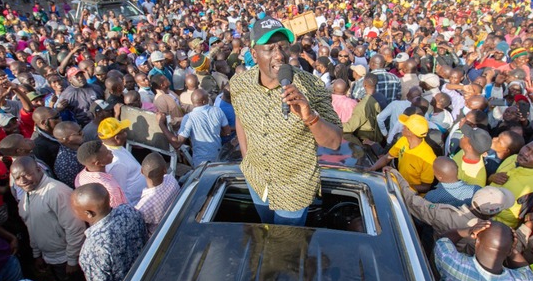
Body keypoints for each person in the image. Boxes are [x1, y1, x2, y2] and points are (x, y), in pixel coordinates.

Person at [230, 17, 342, 225]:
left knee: (285, 247)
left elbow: (334, 142)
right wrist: (247, 159)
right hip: (257, 182)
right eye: (270, 48)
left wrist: (310, 116)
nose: (279, 55)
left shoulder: (312, 86)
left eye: (282, 47)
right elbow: (240, 118)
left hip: (293, 190)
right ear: (254, 54)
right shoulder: (239, 84)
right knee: (265, 229)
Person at [10, 156, 91, 281]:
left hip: (67, 258)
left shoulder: (56, 191)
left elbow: (75, 228)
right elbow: (32, 227)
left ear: (39, 170)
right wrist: (37, 254)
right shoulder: (27, 196)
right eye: (17, 178)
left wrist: (72, 260)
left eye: (27, 174)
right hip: (52, 258)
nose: (22, 180)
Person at [70, 183, 147, 281]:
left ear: (89, 213)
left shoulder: (92, 248)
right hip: (145, 278)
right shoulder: (129, 211)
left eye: (75, 209)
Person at [491, 140, 533, 228]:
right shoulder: (513, 158)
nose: (526, 154)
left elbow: (524, 221)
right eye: (527, 148)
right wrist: (491, 178)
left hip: (496, 226)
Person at [159, 89, 230, 166]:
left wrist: (161, 124)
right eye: (207, 98)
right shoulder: (217, 111)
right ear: (204, 101)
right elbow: (227, 132)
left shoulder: (189, 118)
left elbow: (177, 143)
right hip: (218, 158)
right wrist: (213, 132)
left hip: (201, 163)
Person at [370, 114, 436, 194]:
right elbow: (387, 157)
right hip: (398, 187)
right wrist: (372, 168)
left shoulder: (428, 158)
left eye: (405, 126)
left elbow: (425, 187)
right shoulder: (403, 140)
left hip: (412, 197)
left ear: (411, 132)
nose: (402, 126)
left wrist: (402, 185)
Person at [97, 117, 147, 206]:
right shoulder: (116, 162)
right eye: (124, 131)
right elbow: (121, 191)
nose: (126, 133)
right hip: (137, 202)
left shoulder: (115, 147)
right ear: (117, 138)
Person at [136, 153, 180, 236]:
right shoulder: (171, 179)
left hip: (158, 237)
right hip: (175, 224)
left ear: (141, 171)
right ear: (165, 170)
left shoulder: (143, 207)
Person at [74, 140, 128, 207]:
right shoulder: (110, 188)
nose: (111, 151)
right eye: (107, 153)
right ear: (98, 163)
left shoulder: (80, 177)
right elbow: (120, 210)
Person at [342, 73, 383, 143]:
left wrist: (335, 126)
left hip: (367, 138)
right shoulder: (381, 96)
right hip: (379, 136)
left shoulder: (363, 105)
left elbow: (350, 127)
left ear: (364, 84)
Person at [52, 121, 83, 189]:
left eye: (81, 129)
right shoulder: (66, 164)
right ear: (66, 139)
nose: (83, 134)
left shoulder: (78, 147)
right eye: (79, 133)